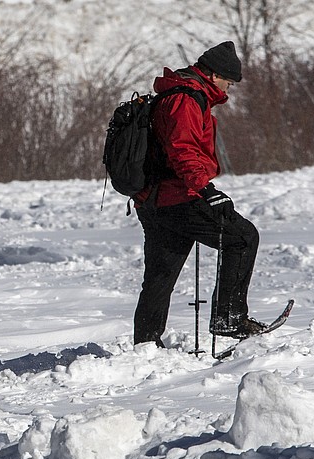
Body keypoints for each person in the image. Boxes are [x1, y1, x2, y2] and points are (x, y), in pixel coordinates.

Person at [132, 41, 263, 348]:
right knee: (243, 238)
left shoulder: (177, 92)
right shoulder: (187, 99)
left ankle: (146, 345)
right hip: (178, 196)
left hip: (154, 199)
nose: (229, 89)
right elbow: (183, 150)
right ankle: (228, 318)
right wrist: (206, 189)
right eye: (228, 81)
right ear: (215, 74)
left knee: (161, 274)